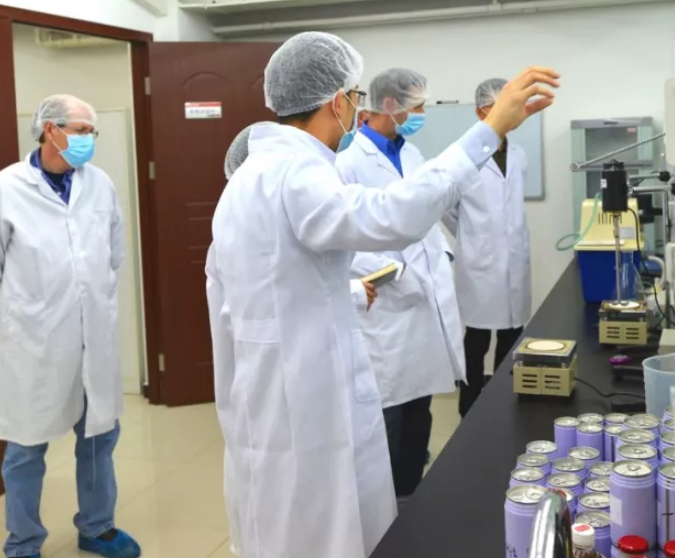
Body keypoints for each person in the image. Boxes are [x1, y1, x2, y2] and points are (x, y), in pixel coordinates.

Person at [208, 31, 558, 558]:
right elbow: (393, 215)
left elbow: (263, 292)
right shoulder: (295, 171)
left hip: (274, 393)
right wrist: (488, 131)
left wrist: (349, 293)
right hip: (304, 400)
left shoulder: (250, 178)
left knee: (290, 522)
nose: (357, 106)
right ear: (337, 101)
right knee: (319, 529)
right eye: (355, 96)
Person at [0, 95, 140, 558]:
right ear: (50, 130)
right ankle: (23, 542)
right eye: (81, 130)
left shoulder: (99, 184)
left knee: (100, 437)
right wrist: (19, 324)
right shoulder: (5, 188)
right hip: (34, 345)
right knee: (25, 448)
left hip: (93, 338)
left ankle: (97, 527)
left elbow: (114, 253)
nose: (88, 140)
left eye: (91, 132)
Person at [206, 125, 376, 556]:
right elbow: (272, 303)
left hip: (285, 386)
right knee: (282, 506)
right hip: (270, 392)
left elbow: (295, 289)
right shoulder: (237, 233)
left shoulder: (254, 220)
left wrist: (353, 293)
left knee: (303, 506)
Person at [335, 67, 464, 500]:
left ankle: (411, 499)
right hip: (385, 305)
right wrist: (396, 273)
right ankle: (384, 511)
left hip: (422, 306)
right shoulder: (347, 163)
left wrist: (443, 252)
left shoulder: (412, 154)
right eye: (416, 106)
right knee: (387, 415)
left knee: (418, 412)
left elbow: (424, 213)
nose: (422, 113)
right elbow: (343, 237)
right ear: (388, 105)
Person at [445, 78, 534, 418]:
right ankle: (469, 409)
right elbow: (446, 207)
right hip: (480, 263)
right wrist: (474, 235)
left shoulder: (519, 153)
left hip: (514, 260)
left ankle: (502, 406)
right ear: (481, 111)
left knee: (512, 337)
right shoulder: (464, 155)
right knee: (477, 339)